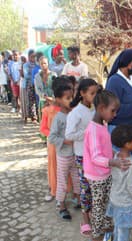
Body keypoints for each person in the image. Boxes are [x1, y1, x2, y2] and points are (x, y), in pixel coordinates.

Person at [83, 88, 131, 241]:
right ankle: (96, 235)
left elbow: (105, 148)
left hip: (105, 172)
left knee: (106, 201)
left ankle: (105, 224)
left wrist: (115, 156)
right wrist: (112, 162)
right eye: (113, 111)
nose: (115, 115)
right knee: (98, 206)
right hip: (96, 176)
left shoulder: (102, 125)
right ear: (102, 108)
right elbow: (96, 157)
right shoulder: (93, 130)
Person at [106, 49, 132, 184]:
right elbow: (113, 108)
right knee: (124, 162)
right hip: (121, 130)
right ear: (126, 62)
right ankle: (125, 187)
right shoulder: (114, 81)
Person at [65, 78, 97, 237]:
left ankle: (94, 214)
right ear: (83, 93)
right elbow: (69, 135)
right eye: (92, 93)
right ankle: (85, 219)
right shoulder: (76, 112)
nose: (95, 95)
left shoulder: (94, 108)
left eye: (96, 92)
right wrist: (86, 134)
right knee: (85, 188)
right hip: (82, 155)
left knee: (95, 186)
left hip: (95, 155)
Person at [40, 75, 76, 203]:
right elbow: (43, 129)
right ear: (58, 96)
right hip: (54, 146)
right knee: (55, 169)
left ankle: (69, 190)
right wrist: (58, 137)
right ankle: (54, 190)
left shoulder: (70, 110)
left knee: (70, 168)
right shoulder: (47, 110)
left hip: (69, 146)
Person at [48, 81, 80, 220]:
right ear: (58, 100)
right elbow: (51, 137)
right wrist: (65, 141)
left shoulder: (75, 114)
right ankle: (61, 204)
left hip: (76, 154)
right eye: (67, 98)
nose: (71, 101)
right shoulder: (58, 118)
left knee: (77, 178)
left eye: (72, 97)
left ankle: (77, 198)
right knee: (62, 181)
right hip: (63, 156)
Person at [34, 56, 57, 121]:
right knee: (43, 122)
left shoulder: (53, 75)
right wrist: (45, 97)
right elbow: (37, 90)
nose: (43, 65)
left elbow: (56, 88)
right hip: (42, 101)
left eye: (45, 63)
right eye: (41, 63)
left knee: (52, 122)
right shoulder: (37, 76)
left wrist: (51, 99)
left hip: (52, 101)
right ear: (39, 64)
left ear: (48, 64)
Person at [22, 49, 37, 123]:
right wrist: (34, 76)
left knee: (37, 100)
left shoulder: (37, 64)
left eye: (35, 56)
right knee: (31, 100)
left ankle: (38, 114)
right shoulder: (26, 65)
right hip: (29, 84)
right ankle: (33, 116)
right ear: (29, 56)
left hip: (37, 84)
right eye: (32, 56)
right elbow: (26, 75)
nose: (33, 58)